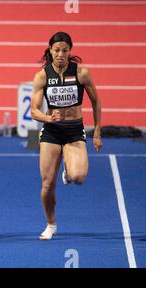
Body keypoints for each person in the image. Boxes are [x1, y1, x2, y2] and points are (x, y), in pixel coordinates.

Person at [30, 32, 102, 240]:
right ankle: (51, 224)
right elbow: (34, 110)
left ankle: (69, 172)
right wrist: (47, 117)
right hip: (52, 131)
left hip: (74, 130)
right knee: (46, 185)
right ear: (50, 51)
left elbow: (96, 101)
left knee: (78, 178)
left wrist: (97, 132)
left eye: (65, 50)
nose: (61, 54)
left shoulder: (81, 73)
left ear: (70, 51)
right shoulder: (42, 76)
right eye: (56, 50)